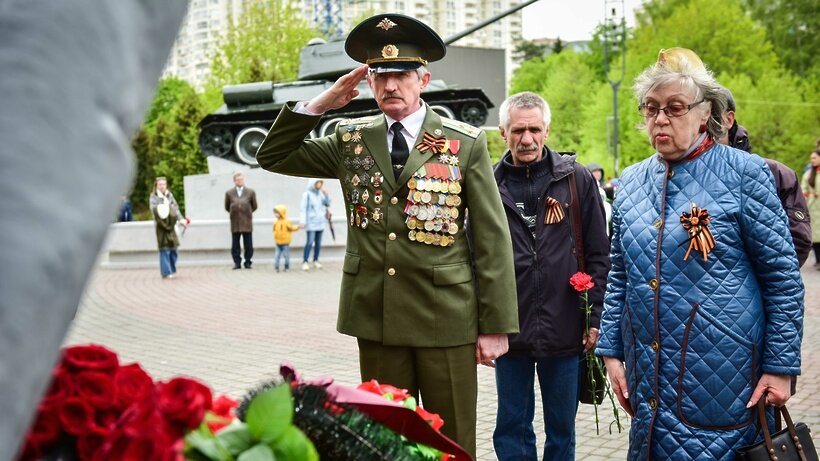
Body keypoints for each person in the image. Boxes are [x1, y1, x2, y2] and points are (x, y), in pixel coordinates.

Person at [255, 13, 519, 456]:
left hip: (446, 319)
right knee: (382, 441)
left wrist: (495, 325)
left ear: (423, 80)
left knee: (450, 441)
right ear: (369, 81)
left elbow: (492, 240)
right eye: (381, 75)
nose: (390, 85)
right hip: (378, 318)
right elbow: (274, 154)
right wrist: (321, 104)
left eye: (401, 75)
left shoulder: (464, 143)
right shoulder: (350, 139)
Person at [596, 48, 804, 460]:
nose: (660, 119)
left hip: (723, 375)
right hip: (648, 375)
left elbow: (782, 277)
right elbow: (619, 273)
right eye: (651, 108)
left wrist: (781, 367)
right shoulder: (632, 182)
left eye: (674, 107)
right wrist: (611, 351)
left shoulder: (745, 173)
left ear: (703, 111)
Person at [492, 92, 610, 460]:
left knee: (562, 431)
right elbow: (474, 258)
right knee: (511, 428)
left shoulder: (575, 180)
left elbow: (599, 254)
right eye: (518, 130)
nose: (526, 139)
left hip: (566, 329)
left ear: (547, 130)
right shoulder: (488, 182)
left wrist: (594, 318)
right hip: (509, 330)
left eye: (534, 129)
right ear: (502, 132)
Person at [717, 86, 811, 266]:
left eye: (712, 114)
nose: (704, 122)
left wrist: (748, 284)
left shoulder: (777, 173)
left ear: (729, 120)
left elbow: (797, 243)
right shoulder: (676, 172)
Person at [149, 177, 187, 279]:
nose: (162, 186)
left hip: (172, 225)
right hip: (161, 226)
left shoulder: (170, 196)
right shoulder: (154, 197)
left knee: (173, 248)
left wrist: (181, 220)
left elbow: (176, 209)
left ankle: (172, 269)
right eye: (160, 184)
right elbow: (154, 211)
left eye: (164, 184)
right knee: (164, 249)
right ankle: (166, 272)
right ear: (156, 185)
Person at [224, 172, 258, 269]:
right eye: (238, 180)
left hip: (246, 222)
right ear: (234, 181)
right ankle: (237, 262)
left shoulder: (250, 192)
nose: (240, 181)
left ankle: (248, 261)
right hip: (235, 222)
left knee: (248, 244)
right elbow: (227, 207)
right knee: (235, 244)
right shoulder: (229, 193)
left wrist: (246, 213)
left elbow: (254, 206)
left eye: (241, 179)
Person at [301, 179, 331, 271]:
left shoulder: (321, 194)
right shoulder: (307, 194)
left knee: (318, 243)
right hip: (311, 222)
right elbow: (303, 209)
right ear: (313, 183)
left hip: (321, 222)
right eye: (319, 183)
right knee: (310, 242)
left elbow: (327, 203)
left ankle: (316, 260)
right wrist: (303, 222)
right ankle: (305, 261)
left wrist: (326, 194)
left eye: (321, 183)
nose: (320, 184)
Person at [802, 148, 820, 269]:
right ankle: (818, 260)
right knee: (815, 236)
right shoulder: (809, 174)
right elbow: (803, 189)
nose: (812, 160)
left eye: (814, 158)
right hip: (813, 208)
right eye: (811, 158)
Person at [273, 204, 300, 272]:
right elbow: (274, 230)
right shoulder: (276, 222)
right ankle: (276, 267)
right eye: (275, 213)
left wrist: (298, 227)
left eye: (277, 213)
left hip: (285, 243)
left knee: (286, 256)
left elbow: (291, 228)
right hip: (278, 243)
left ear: (281, 213)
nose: (275, 214)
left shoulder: (287, 221)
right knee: (277, 256)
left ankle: (287, 267)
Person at [586, 162, 612, 234]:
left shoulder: (606, 186)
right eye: (595, 171)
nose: (598, 173)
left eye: (599, 171)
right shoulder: (586, 188)